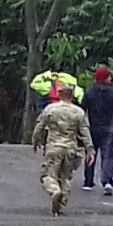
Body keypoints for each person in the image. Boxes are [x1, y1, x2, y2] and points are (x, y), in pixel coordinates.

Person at [32, 84, 95, 216]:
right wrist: (90, 150)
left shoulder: (50, 109)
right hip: (70, 148)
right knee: (65, 177)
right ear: (72, 95)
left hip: (54, 146)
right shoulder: (79, 112)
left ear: (59, 94)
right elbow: (85, 132)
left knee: (47, 175)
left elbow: (40, 126)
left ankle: (54, 191)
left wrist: (36, 141)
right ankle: (61, 205)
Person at [81, 67, 113, 195]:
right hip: (109, 128)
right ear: (106, 78)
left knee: (91, 152)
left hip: (93, 126)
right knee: (108, 155)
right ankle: (107, 181)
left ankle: (88, 181)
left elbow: (82, 109)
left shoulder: (90, 92)